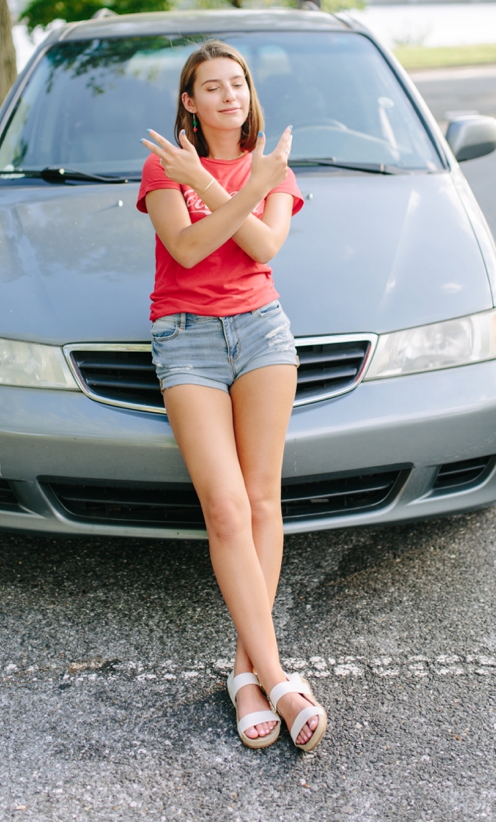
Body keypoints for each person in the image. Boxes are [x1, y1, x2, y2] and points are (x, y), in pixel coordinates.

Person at [136, 41, 327, 752]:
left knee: (264, 500)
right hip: (184, 336)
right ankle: (279, 677)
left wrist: (223, 188)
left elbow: (263, 247)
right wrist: (231, 192)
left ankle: (248, 676)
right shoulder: (164, 164)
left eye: (237, 84)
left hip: (261, 334)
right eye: (210, 87)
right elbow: (186, 251)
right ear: (189, 102)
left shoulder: (272, 167)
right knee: (225, 507)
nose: (227, 96)